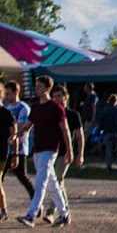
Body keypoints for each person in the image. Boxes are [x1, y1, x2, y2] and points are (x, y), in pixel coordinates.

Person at [15, 75, 72, 227]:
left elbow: (65, 130)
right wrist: (16, 135)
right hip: (38, 150)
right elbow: (28, 126)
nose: (37, 88)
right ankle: (64, 214)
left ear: (48, 88)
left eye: (40, 86)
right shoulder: (36, 107)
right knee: (52, 184)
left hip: (50, 149)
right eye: (36, 86)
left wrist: (70, 151)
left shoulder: (56, 108)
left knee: (40, 182)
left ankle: (31, 215)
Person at [44, 85, 83, 225]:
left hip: (64, 152)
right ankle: (65, 211)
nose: (56, 99)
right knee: (55, 183)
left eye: (59, 96)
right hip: (50, 151)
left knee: (58, 180)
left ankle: (51, 211)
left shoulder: (73, 115)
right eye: (54, 97)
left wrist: (80, 154)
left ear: (66, 97)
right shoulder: (51, 114)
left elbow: (80, 136)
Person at [2, 80, 34, 202]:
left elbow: (21, 125)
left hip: (19, 148)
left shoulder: (23, 108)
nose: (6, 96)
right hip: (5, 149)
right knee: (1, 177)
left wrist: (8, 130)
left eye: (8, 93)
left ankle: (35, 200)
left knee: (22, 177)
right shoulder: (6, 107)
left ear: (16, 92)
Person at [96, 93, 117, 171]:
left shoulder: (105, 111)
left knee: (109, 149)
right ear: (116, 101)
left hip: (108, 132)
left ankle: (109, 166)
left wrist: (100, 130)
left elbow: (100, 122)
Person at [0, 100, 14, 221]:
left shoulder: (6, 113)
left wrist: (15, 154)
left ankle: (4, 210)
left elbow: (14, 133)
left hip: (1, 152)